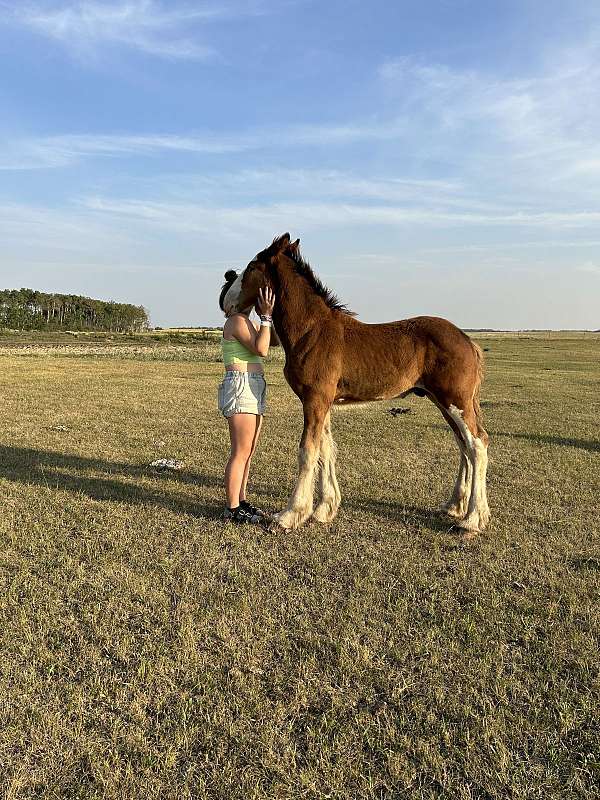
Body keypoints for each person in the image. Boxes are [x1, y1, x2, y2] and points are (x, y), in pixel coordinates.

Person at [218, 272, 276, 524]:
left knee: (248, 451)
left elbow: (270, 340)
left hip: (253, 385)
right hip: (241, 385)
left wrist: (268, 317)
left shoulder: (247, 323)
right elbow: (262, 350)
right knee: (240, 451)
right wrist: (265, 317)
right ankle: (232, 508)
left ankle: (241, 500)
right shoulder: (237, 321)